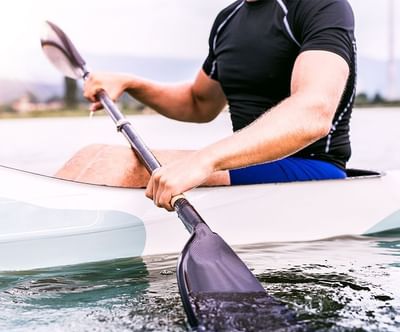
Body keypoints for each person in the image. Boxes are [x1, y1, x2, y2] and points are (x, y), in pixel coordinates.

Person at [77, 0, 356, 211]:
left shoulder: (320, 6)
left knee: (117, 163)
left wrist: (204, 161)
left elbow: (314, 111)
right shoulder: (228, 20)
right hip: (247, 168)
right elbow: (199, 102)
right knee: (91, 155)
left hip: (315, 170)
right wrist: (131, 83)